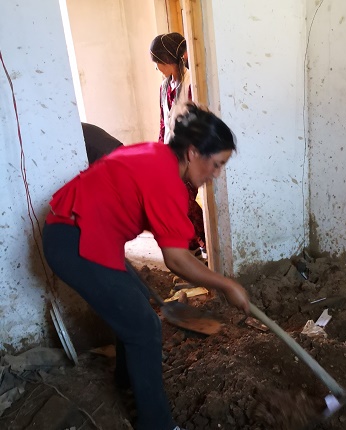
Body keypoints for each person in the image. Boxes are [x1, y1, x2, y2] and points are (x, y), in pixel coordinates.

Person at [42, 103, 250, 430]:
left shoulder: (159, 157)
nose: (217, 174)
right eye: (217, 164)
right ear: (193, 153)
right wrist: (228, 285)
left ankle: (127, 382)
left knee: (136, 303)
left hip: (88, 233)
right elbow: (176, 259)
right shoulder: (164, 177)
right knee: (144, 328)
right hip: (74, 240)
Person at [150, 32, 207, 264]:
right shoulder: (164, 87)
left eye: (158, 62)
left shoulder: (192, 84)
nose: (157, 68)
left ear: (168, 59)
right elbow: (163, 122)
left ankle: (206, 246)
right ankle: (194, 252)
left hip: (190, 155)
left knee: (184, 201)